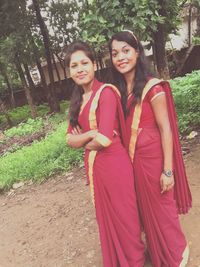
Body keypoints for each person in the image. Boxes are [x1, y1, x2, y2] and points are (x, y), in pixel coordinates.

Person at [108, 30, 192, 267]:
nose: (121, 57)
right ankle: (157, 252)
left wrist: (168, 171)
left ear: (137, 52)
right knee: (144, 210)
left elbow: (166, 128)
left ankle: (175, 255)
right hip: (131, 161)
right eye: (115, 53)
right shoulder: (118, 90)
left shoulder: (153, 87)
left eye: (126, 51)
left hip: (153, 159)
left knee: (162, 209)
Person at [65, 40, 145, 267]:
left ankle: (135, 261)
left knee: (125, 218)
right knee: (106, 219)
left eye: (84, 63)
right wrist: (91, 134)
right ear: (68, 71)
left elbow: (105, 139)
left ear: (94, 65)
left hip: (114, 167)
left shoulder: (106, 92)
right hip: (97, 169)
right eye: (74, 65)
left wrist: (87, 137)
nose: (79, 69)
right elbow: (69, 139)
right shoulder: (78, 100)